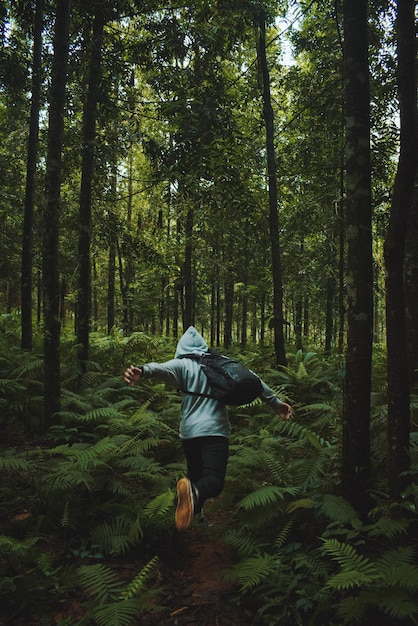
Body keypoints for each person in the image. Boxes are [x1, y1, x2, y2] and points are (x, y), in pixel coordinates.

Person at [124, 326, 292, 531]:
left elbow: (161, 368)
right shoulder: (220, 365)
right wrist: (275, 403)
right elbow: (253, 379)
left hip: (189, 433)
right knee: (213, 481)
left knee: (194, 477)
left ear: (181, 348)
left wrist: (142, 370)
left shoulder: (181, 365)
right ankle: (195, 501)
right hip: (215, 431)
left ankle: (196, 519)